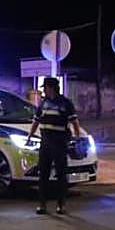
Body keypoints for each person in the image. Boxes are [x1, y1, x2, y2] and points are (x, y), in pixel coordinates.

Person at [26, 76, 81, 215]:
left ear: (51, 88)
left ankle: (61, 205)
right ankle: (42, 205)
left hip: (59, 143)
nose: (43, 90)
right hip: (45, 143)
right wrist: (30, 135)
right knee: (43, 174)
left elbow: (74, 121)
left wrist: (77, 137)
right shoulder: (43, 103)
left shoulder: (65, 103)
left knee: (61, 174)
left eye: (45, 88)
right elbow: (36, 120)